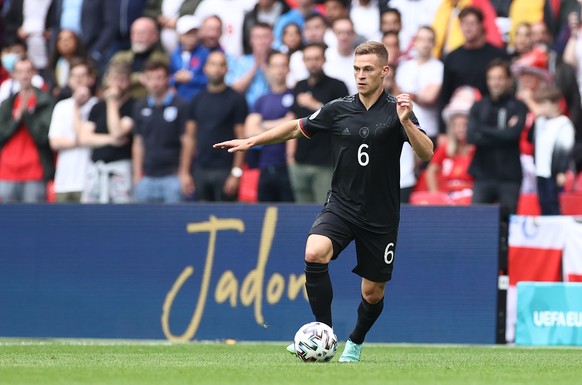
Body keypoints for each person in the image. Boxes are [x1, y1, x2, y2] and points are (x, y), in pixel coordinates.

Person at [214, 41, 433, 362]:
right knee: (314, 251)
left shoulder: (398, 110)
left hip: (381, 214)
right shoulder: (338, 108)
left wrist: (405, 122)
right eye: (357, 69)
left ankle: (355, 341)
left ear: (384, 71)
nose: (360, 75)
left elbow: (426, 152)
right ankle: (324, 334)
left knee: (372, 293)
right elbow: (296, 128)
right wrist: (253, 141)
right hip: (342, 205)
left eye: (368, 69)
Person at [467, 59, 528, 219]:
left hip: (509, 177)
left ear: (509, 80)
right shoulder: (479, 106)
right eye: (491, 78)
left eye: (500, 78)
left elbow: (513, 135)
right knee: (477, 222)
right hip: (483, 175)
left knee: (507, 225)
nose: (495, 83)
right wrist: (503, 132)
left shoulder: (518, 106)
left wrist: (484, 129)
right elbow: (472, 137)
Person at [288, 42, 349, 203]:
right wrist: (290, 157)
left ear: (324, 60)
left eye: (316, 58)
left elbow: (344, 121)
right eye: (308, 59)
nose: (312, 62)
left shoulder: (338, 86)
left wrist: (315, 105)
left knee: (324, 213)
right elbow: (294, 122)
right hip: (299, 162)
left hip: (326, 163)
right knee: (302, 214)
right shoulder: (299, 86)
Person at [131, 59, 194, 203]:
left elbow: (188, 140)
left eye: (159, 78)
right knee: (143, 222)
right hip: (146, 176)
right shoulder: (139, 107)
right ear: (144, 80)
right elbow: (138, 142)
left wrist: (184, 173)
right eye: (150, 78)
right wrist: (136, 175)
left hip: (172, 176)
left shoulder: (181, 105)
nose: (155, 83)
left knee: (173, 223)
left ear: (167, 79)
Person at [189, 51, 248, 201]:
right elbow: (189, 138)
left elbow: (241, 138)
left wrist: (236, 173)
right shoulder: (196, 100)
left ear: (227, 69)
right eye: (213, 64)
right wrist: (185, 171)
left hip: (225, 170)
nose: (217, 68)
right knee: (201, 220)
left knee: (227, 219)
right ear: (205, 68)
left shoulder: (237, 99)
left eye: (221, 65)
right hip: (201, 169)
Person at [78, 60, 135, 204]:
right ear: (108, 79)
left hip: (120, 169)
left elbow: (117, 131)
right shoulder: (97, 107)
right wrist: (111, 140)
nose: (117, 85)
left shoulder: (133, 105)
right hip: (96, 167)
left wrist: (112, 102)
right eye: (114, 79)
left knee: (121, 216)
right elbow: (84, 138)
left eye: (122, 80)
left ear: (129, 81)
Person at [0, 57, 55, 203]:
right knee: (7, 222)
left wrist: (26, 115)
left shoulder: (46, 101)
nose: (24, 75)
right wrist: (16, 120)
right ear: (14, 74)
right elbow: (1, 135)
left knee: (34, 222)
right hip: (6, 171)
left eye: (28, 71)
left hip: (34, 171)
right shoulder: (7, 103)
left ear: (34, 73)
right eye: (20, 71)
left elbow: (43, 137)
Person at [244, 51, 295, 202]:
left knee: (292, 215)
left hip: (288, 167)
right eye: (275, 66)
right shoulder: (261, 100)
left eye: (283, 66)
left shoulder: (295, 95)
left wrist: (263, 124)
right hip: (265, 166)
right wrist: (283, 122)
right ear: (269, 69)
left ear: (288, 69)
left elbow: (296, 123)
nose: (279, 70)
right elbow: (249, 131)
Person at [48, 59, 98, 203]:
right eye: (75, 76)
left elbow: (85, 136)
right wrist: (81, 141)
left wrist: (77, 104)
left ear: (91, 79)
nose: (79, 80)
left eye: (83, 75)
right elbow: (54, 142)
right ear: (69, 80)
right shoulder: (61, 106)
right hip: (63, 181)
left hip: (88, 180)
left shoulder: (98, 105)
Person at [426, 86, 480, 200]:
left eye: (465, 125)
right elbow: (430, 172)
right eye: (456, 125)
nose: (460, 129)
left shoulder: (478, 149)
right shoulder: (445, 148)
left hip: (469, 199)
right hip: (445, 198)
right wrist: (435, 196)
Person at [530, 85, 575, 215]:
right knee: (542, 203)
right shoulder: (540, 121)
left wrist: (561, 170)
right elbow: (531, 139)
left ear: (555, 104)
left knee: (552, 203)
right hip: (540, 170)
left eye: (544, 103)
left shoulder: (563, 123)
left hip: (553, 172)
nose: (541, 107)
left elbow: (565, 150)